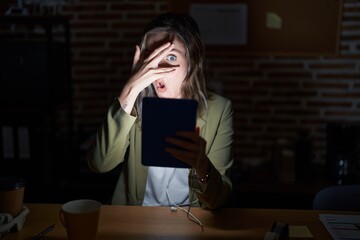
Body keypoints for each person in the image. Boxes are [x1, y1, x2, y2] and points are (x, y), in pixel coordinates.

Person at [87, 12, 234, 209]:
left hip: (191, 222)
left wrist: (202, 165)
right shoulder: (133, 103)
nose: (157, 69)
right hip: (134, 220)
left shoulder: (220, 109)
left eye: (171, 56)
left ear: (193, 60)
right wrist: (129, 91)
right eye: (150, 57)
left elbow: (218, 200)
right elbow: (100, 164)